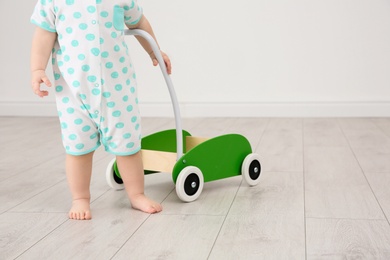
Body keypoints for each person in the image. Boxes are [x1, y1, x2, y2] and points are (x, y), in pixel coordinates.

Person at [30, 0, 171, 220]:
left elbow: (140, 22)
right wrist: (38, 68)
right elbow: (43, 34)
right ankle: (80, 198)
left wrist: (155, 52)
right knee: (78, 148)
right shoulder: (53, 2)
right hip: (74, 92)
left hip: (117, 90)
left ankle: (136, 194)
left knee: (128, 145)